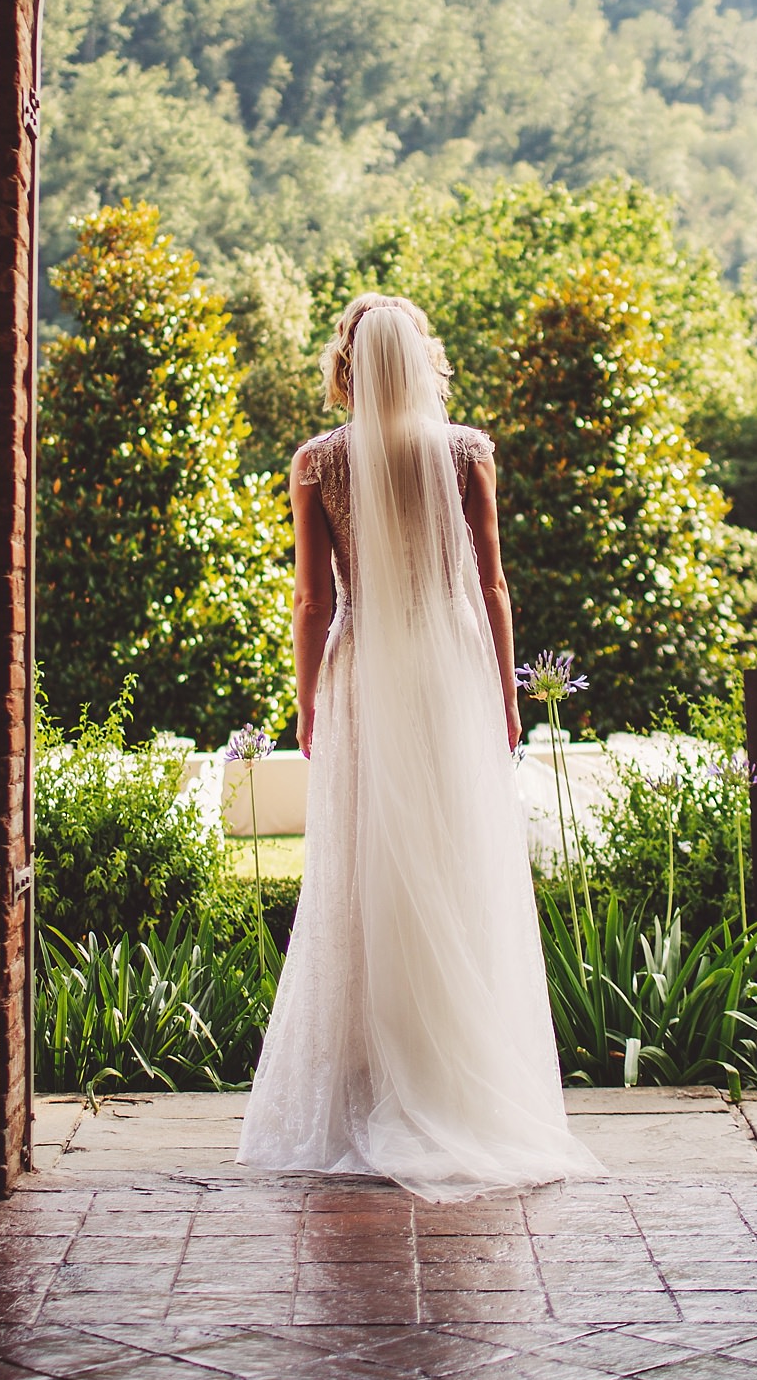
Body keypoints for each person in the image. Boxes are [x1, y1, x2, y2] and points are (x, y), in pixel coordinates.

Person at [238, 292, 601, 1198]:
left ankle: (373, 1078)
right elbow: (492, 584)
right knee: (451, 861)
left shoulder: (319, 463)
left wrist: (308, 700)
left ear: (349, 366)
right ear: (422, 358)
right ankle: (456, 1071)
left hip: (365, 673)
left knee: (368, 868)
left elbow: (313, 602)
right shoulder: (466, 451)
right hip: (449, 674)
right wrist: (509, 694)